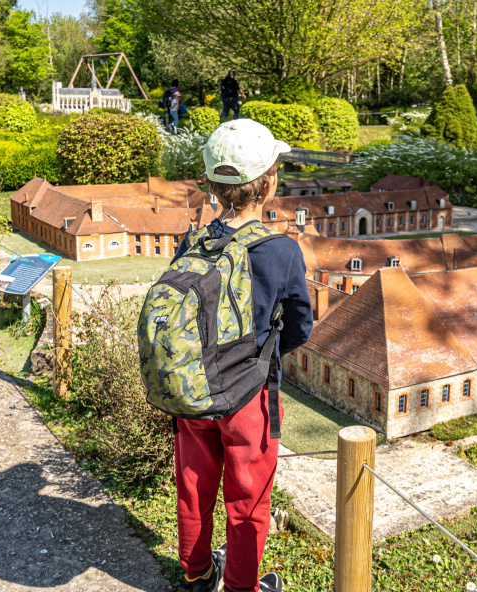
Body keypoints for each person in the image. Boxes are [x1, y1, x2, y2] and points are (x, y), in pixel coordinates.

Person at [173, 119, 313, 592]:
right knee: (248, 501)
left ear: (210, 184)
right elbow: (299, 328)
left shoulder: (190, 242)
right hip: (248, 396)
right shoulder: (281, 251)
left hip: (193, 390)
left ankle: (197, 573)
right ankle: (241, 588)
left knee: (193, 486)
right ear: (270, 182)